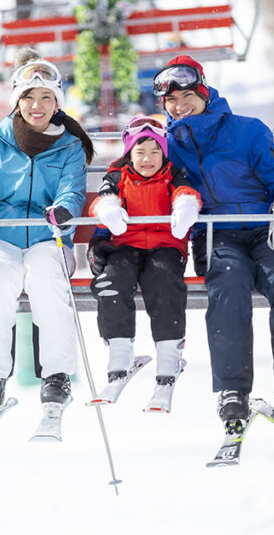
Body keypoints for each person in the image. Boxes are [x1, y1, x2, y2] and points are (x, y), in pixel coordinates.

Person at [153, 55, 274, 433]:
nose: (180, 107)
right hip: (215, 233)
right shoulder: (164, 146)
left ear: (204, 92)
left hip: (265, 228)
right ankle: (232, 390)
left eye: (187, 97)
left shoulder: (248, 131)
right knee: (228, 288)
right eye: (172, 102)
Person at [0, 47, 96, 411]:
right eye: (29, 97)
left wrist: (63, 210)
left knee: (48, 285)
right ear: (17, 101)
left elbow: (72, 189)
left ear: (57, 103)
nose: (37, 105)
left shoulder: (70, 147)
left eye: (46, 97)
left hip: (48, 236)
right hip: (0, 235)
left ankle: (57, 374)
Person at [87, 115, 202, 397]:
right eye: (140, 152)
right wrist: (108, 210)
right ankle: (119, 351)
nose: (148, 159)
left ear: (164, 153)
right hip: (125, 245)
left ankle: (168, 353)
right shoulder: (117, 175)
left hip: (165, 245)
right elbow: (104, 198)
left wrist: (186, 205)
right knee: (111, 282)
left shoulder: (174, 174)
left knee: (164, 282)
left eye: (155, 152)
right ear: (129, 153)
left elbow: (187, 192)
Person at [73, 0, 139, 116]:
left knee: (123, 49)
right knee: (86, 50)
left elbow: (126, 1)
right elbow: (78, 4)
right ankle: (89, 99)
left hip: (114, 28)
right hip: (91, 30)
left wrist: (117, 14)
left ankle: (127, 97)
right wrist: (88, 16)